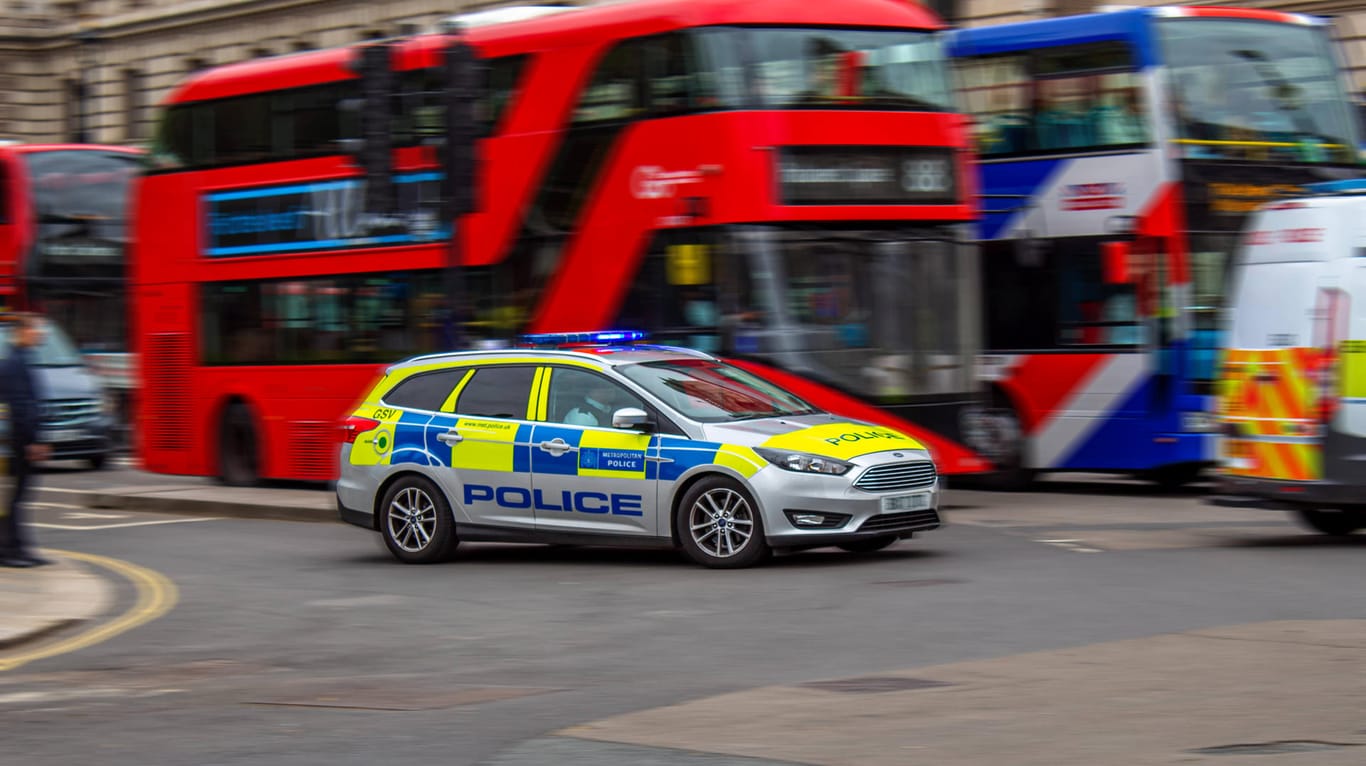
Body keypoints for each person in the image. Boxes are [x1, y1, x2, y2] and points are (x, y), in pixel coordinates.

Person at [0, 313, 52, 568]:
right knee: (14, 497)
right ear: (23, 331)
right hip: (16, 443)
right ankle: (9, 551)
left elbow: (32, 405)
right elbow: (20, 407)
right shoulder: (14, 364)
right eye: (37, 330)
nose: (41, 334)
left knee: (20, 497)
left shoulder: (23, 360)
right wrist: (31, 441)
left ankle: (20, 548)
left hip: (23, 439)